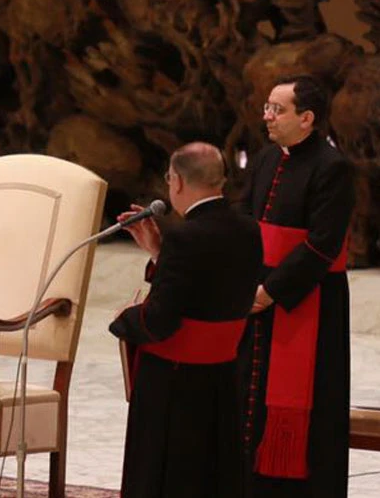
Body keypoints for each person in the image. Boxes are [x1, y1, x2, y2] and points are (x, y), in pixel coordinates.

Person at [109, 142, 262, 498]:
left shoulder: (184, 236)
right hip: (222, 376)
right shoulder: (248, 228)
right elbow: (209, 286)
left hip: (174, 384)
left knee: (166, 477)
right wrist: (158, 251)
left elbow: (160, 320)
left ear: (175, 181)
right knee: (213, 473)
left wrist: (124, 320)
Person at [237, 75, 355, 497]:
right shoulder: (267, 159)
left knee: (309, 408)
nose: (266, 116)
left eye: (278, 109)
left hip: (308, 302)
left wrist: (270, 292)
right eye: (267, 107)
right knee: (249, 399)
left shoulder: (333, 167)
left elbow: (322, 246)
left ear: (307, 118)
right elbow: (246, 221)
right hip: (257, 295)